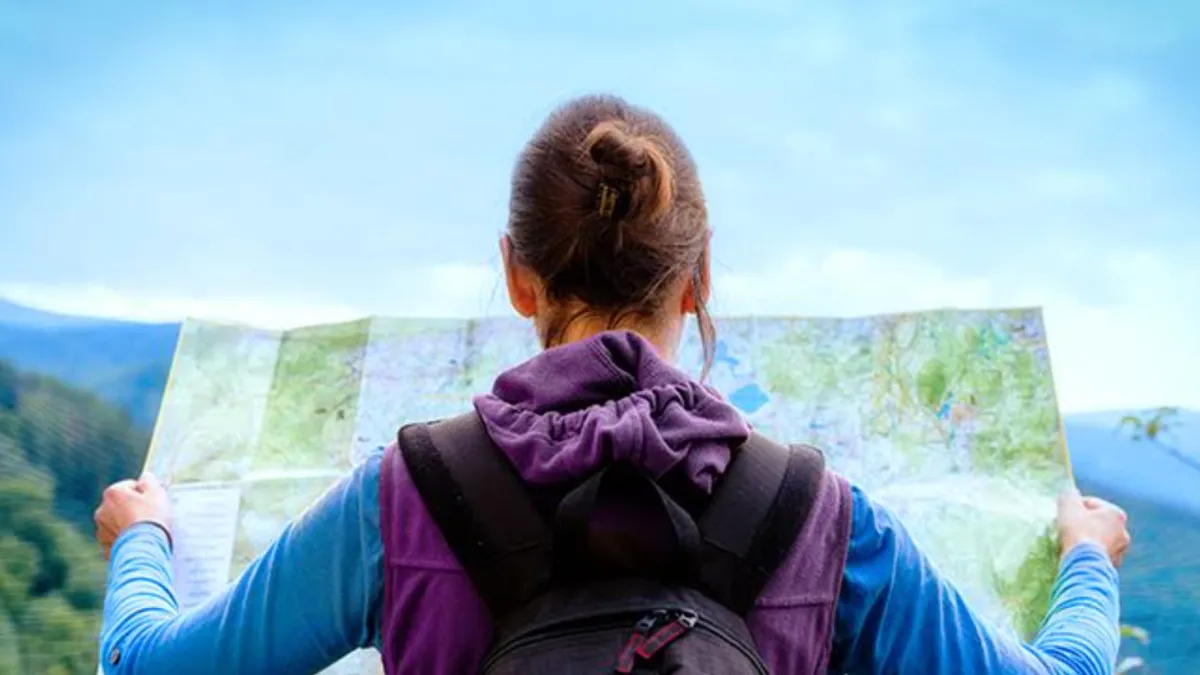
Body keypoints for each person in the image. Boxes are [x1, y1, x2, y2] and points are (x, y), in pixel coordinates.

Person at [94, 94, 1130, 675]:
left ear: (516, 273)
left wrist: (142, 537)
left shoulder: (403, 498)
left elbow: (150, 669)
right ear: (702, 276)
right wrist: (1087, 561)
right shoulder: (822, 519)